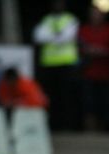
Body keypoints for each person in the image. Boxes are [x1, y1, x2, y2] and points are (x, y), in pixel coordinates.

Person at [32, 0, 80, 131]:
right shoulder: (46, 19)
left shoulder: (70, 19)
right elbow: (38, 37)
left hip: (66, 64)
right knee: (50, 96)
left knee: (67, 97)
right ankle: (53, 125)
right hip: (49, 64)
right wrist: (57, 36)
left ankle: (68, 125)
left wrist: (51, 37)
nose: (58, 5)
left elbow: (67, 37)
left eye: (60, 3)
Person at [78, 4, 109, 131]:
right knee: (88, 103)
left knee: (104, 103)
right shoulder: (84, 30)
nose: (95, 17)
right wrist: (88, 51)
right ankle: (89, 130)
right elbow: (77, 48)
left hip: (105, 74)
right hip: (88, 73)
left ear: (103, 15)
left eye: (98, 14)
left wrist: (103, 51)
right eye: (93, 14)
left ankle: (102, 130)